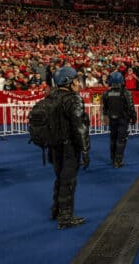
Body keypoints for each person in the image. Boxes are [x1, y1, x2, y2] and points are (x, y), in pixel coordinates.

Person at [48, 67, 91, 230]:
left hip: (54, 146)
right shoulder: (74, 99)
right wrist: (85, 150)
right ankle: (65, 217)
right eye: (75, 80)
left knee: (59, 178)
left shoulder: (51, 97)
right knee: (68, 181)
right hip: (69, 147)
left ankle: (56, 210)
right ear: (68, 81)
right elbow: (79, 128)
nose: (78, 83)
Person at [102, 71, 137, 168]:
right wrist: (134, 118)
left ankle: (113, 159)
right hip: (123, 119)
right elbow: (131, 107)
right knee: (121, 139)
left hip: (112, 118)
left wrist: (105, 116)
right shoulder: (126, 93)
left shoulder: (106, 93)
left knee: (113, 139)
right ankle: (118, 160)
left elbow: (105, 108)